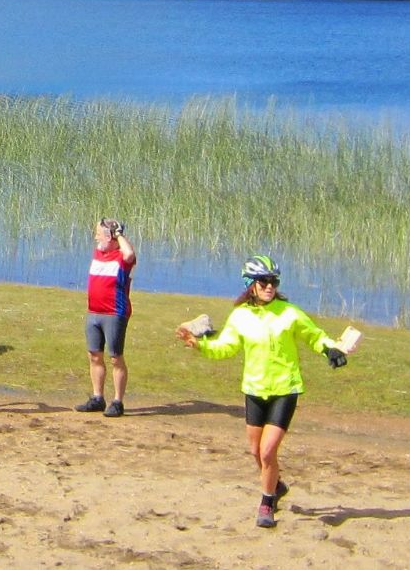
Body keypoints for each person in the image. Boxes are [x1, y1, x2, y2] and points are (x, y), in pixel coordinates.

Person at [176, 255, 348, 530]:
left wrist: (330, 350)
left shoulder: (289, 312)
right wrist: (199, 345)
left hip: (285, 389)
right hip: (254, 389)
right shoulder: (240, 316)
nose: (270, 286)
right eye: (264, 281)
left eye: (274, 281)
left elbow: (314, 336)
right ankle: (276, 485)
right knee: (256, 452)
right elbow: (226, 347)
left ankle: (267, 503)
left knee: (268, 452)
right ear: (251, 284)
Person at [74, 218, 136, 417]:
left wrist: (118, 234)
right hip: (94, 312)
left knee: (115, 357)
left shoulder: (122, 258)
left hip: (114, 313)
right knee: (94, 355)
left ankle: (117, 401)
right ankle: (97, 398)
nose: (95, 237)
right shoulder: (98, 253)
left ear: (109, 237)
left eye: (99, 234)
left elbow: (130, 254)